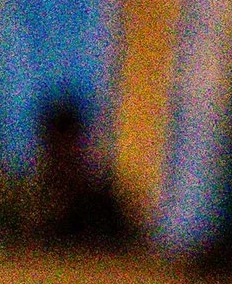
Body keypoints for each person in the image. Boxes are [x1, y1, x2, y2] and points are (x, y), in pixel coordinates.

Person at [12, 95, 138, 251]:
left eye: (69, 143)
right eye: (57, 144)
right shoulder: (31, 198)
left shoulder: (100, 202)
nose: (64, 152)